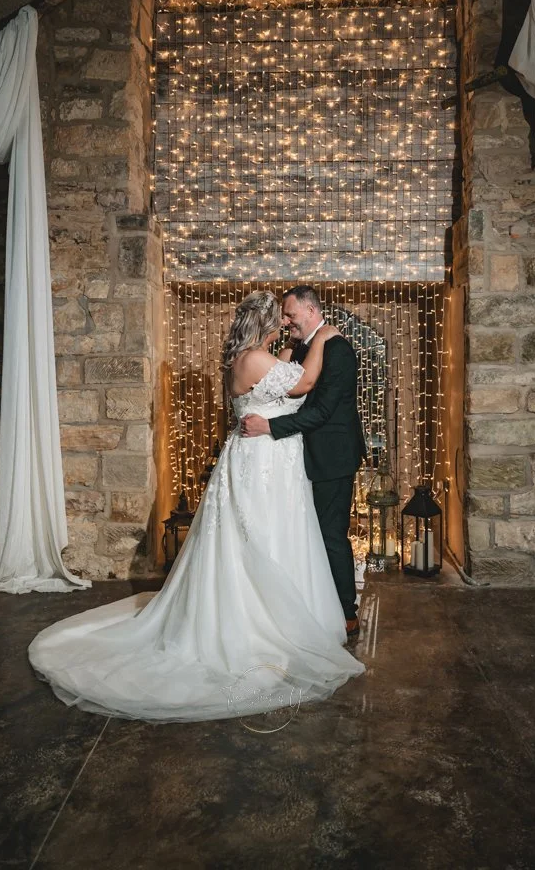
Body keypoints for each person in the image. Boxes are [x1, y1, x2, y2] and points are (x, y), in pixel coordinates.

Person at [28, 291, 364, 723]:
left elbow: (290, 373)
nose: (285, 324)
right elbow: (302, 384)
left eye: (290, 317)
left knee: (275, 536)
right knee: (258, 537)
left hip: (271, 460)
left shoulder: (259, 356)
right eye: (279, 320)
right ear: (264, 325)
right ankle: (262, 622)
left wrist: (305, 343)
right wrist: (320, 338)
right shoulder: (264, 359)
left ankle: (312, 613)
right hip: (262, 459)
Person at [241, 286, 366, 637]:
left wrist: (270, 426)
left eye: (291, 315)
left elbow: (324, 411)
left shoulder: (337, 348)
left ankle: (346, 613)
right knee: (303, 535)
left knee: (330, 535)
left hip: (331, 457)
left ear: (311, 311)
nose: (286, 321)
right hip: (296, 458)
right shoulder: (300, 349)